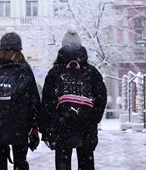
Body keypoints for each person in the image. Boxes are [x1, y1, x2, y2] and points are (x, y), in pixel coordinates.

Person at [40, 25, 107, 170]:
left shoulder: (55, 71)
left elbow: (46, 103)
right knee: (86, 163)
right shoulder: (91, 71)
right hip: (86, 126)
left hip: (61, 127)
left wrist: (46, 131)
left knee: (63, 164)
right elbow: (101, 98)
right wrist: (93, 119)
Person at [0, 28, 40, 170]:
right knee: (20, 163)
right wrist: (35, 125)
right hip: (20, 127)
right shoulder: (24, 70)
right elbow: (34, 99)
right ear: (19, 49)